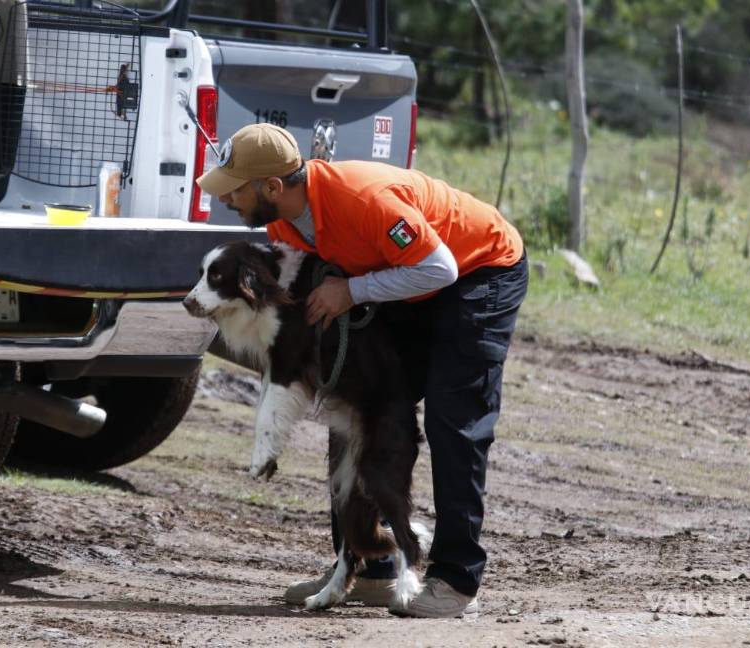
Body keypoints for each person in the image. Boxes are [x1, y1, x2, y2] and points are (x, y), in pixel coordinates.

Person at [197, 123, 528, 618]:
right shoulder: (282, 222)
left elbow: (439, 269)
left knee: (451, 418)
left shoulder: (361, 199)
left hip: (478, 270)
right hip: (407, 278)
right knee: (355, 403)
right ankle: (370, 563)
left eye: (234, 188)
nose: (225, 198)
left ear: (272, 188)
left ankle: (456, 581)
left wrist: (351, 292)